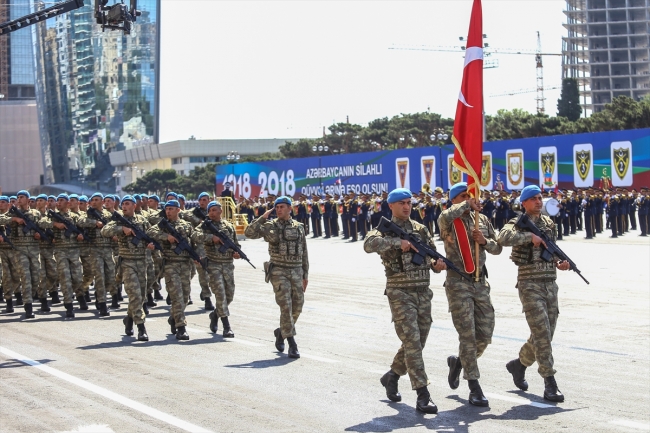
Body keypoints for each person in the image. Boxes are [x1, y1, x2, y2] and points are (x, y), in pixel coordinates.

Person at [364, 188, 446, 414]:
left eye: (409, 202)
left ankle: (392, 376)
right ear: (390, 206)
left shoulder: (420, 229)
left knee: (417, 342)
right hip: (399, 292)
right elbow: (368, 244)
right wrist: (395, 243)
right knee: (412, 341)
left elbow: (432, 257)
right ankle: (422, 394)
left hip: (423, 291)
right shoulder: (383, 231)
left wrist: (437, 266)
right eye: (401, 203)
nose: (407, 206)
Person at [497, 184, 570, 403]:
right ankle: (549, 382)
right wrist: (529, 237)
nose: (539, 201)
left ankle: (518, 365)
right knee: (542, 333)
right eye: (534, 199)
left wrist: (561, 262)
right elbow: (502, 238)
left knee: (545, 334)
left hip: (549, 284)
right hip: (529, 285)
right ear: (524, 203)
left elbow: (552, 248)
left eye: (540, 198)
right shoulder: (516, 223)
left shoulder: (548, 223)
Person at [437, 182, 502, 407]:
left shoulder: (481, 220)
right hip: (458, 283)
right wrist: (466, 205)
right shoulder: (448, 219)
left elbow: (497, 247)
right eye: (463, 196)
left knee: (484, 334)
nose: (468, 199)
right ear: (454, 199)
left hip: (480, 283)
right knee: (468, 335)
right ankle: (474, 385)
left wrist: (484, 241)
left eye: (470, 195)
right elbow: (446, 214)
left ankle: (459, 364)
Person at [244, 195, 308, 359]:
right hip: (278, 271)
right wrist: (262, 217)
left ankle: (281, 333)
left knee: (298, 306)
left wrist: (305, 275)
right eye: (277, 207)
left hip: (296, 270)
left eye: (282, 207)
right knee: (285, 305)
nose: (279, 209)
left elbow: (304, 252)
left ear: (289, 208)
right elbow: (248, 233)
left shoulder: (299, 227)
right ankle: (292, 344)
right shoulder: (269, 226)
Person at [147, 199, 202, 341]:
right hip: (170, 264)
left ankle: (174, 317)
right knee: (176, 296)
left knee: (185, 296)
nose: (168, 211)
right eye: (167, 209)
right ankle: (181, 327)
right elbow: (150, 232)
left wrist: (197, 256)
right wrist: (166, 236)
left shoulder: (187, 226)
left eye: (171, 209)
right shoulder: (162, 225)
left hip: (186, 264)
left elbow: (193, 242)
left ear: (178, 210)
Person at [101, 195, 153, 341]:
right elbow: (104, 231)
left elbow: (150, 237)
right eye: (123, 204)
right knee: (135, 295)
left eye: (127, 204)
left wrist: (151, 245)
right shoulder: (117, 220)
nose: (124, 206)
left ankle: (129, 319)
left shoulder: (142, 221)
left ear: (134, 206)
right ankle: (141, 327)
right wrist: (121, 229)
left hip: (142, 263)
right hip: (127, 263)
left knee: (141, 296)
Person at [0, 191, 45, 318]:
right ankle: (28, 307)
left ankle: (31, 297)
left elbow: (43, 227)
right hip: (19, 250)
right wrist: (14, 219)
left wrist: (40, 234)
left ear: (28, 199)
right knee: (25, 277)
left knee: (36, 277)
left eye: (22, 197)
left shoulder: (36, 213)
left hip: (34, 249)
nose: (19, 199)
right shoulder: (12, 213)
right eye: (18, 197)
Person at [201, 201, 239, 337]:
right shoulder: (205, 226)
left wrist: (237, 253)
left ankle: (215, 315)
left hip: (228, 265)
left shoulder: (229, 226)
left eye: (214, 210)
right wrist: (212, 238)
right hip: (214, 264)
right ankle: (226, 326)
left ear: (220, 211)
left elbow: (236, 244)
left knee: (229, 295)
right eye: (209, 210)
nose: (211, 213)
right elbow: (194, 236)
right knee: (220, 295)